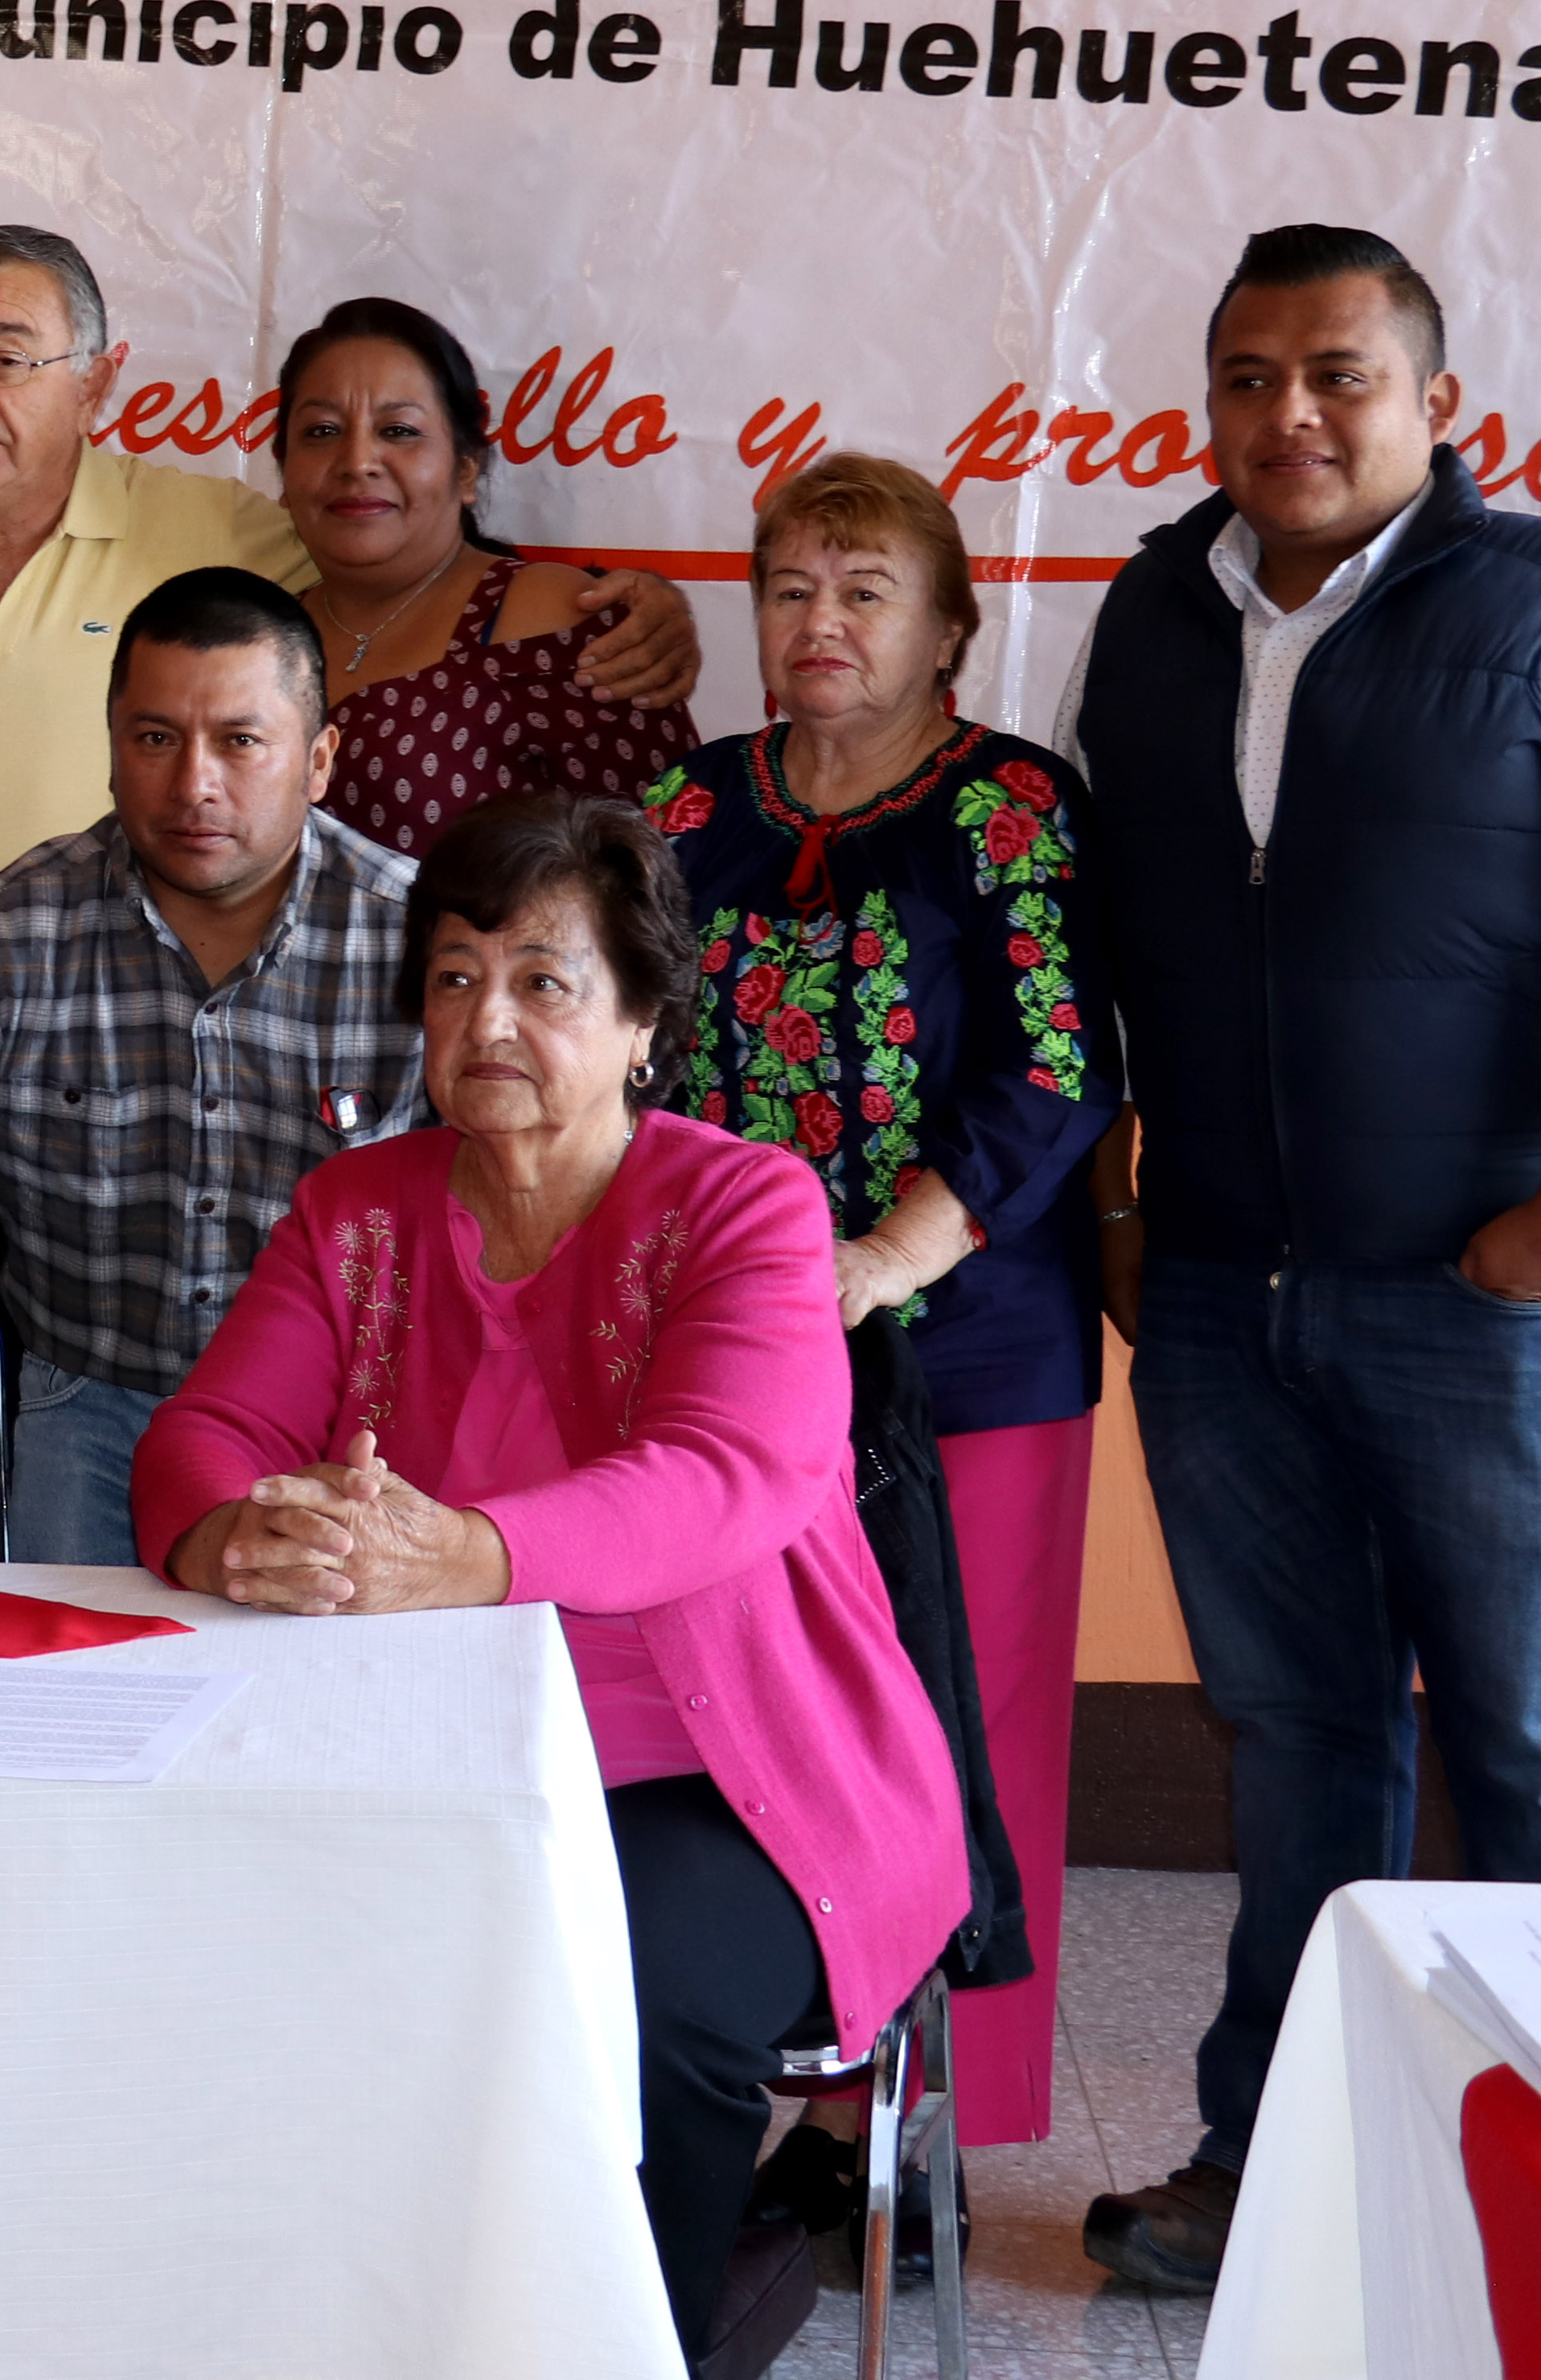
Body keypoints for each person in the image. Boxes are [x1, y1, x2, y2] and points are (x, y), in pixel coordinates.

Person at [1052, 224, 1541, 2297]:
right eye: (1250, 376)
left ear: (1434, 403)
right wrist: (1119, 1209)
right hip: (1216, 1293)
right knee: (1297, 1744)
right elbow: (1089, 939)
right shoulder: (1155, 613)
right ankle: (1272, 2159)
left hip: (1489, 1298)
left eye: (1339, 374)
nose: (1291, 416)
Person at [137, 790, 966, 2380]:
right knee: (220, 1932)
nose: (488, 1017)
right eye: (453, 977)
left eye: (542, 978)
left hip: (731, 1769)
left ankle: (629, 2341)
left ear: (645, 1017)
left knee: (620, 1989)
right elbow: (207, 1433)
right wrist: (222, 1535)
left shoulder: (746, 1204)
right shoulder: (357, 1207)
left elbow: (725, 1476)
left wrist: (469, 1552)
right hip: (423, 1744)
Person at [644, 450, 1115, 2177]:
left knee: (960, 1719)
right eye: (789, 588)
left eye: (865, 592)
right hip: (742, 1360)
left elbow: (1058, 1065)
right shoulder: (691, 808)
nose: (821, 623)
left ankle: (926, 2135)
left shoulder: (1008, 804)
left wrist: (892, 1257)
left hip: (974, 1345)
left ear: (948, 631)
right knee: (785, 1710)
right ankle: (814, 2080)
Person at [0, 226, 696, 1026]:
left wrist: (641, 598)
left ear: (94, 385)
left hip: (179, 1067)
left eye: (7, 357)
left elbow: (405, 552)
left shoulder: (227, 539)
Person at [0, 567, 428, 1564]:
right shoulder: (16, 931)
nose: (193, 783)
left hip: (348, 1424)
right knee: (76, 1701)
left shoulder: (421, 948)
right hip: (82, 1399)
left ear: (320, 758)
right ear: (114, 747)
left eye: (241, 742)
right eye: (156, 738)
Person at [282, 296, 698, 857]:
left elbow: (666, 865)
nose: (358, 460)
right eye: (323, 431)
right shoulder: (265, 627)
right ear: (283, 471)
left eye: (400, 431)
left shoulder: (551, 616)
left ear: (467, 469)